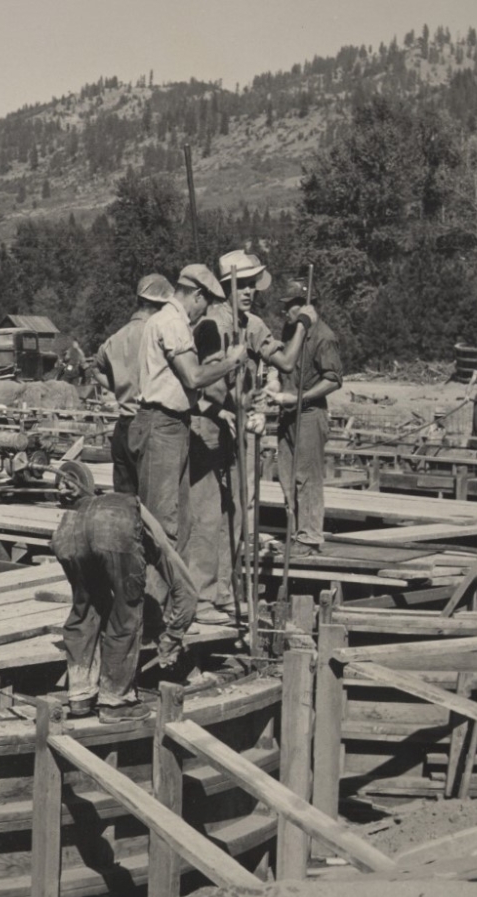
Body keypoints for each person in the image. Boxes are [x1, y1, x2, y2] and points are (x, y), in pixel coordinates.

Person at [184, 251, 310, 624]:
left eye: (254, 285)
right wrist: (236, 403)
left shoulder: (252, 324)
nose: (250, 292)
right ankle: (202, 597)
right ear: (226, 286)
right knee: (208, 513)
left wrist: (303, 324)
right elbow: (208, 386)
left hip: (240, 425)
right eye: (243, 285)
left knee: (238, 510)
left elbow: (285, 361)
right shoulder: (210, 325)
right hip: (210, 424)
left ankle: (222, 591)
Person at [51, 485, 196, 723]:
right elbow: (186, 590)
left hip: (67, 529)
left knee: (85, 606)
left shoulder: (116, 508)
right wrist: (173, 638)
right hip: (113, 528)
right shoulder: (150, 532)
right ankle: (115, 702)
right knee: (126, 613)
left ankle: (80, 694)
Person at [127, 265, 246, 553]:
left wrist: (214, 410)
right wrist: (231, 362)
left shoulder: (168, 320)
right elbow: (193, 377)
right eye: (205, 305)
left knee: (179, 522)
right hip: (162, 427)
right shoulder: (172, 323)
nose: (203, 314)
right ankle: (155, 583)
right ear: (196, 295)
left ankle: (173, 582)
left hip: (171, 424)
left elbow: (180, 388)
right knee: (161, 524)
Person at [264, 279, 342, 556]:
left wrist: (299, 398)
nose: (284, 311)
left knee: (307, 477)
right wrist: (274, 380)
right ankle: (295, 533)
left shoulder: (323, 336)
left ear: (306, 305)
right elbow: (282, 362)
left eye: (289, 306)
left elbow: (333, 379)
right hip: (287, 414)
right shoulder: (291, 330)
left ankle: (309, 538)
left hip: (309, 413)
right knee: (287, 476)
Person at [92, 273, 175, 494]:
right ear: (161, 305)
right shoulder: (159, 334)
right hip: (149, 427)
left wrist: (119, 386)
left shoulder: (116, 338)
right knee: (154, 501)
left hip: (123, 426)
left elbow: (95, 369)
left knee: (124, 503)